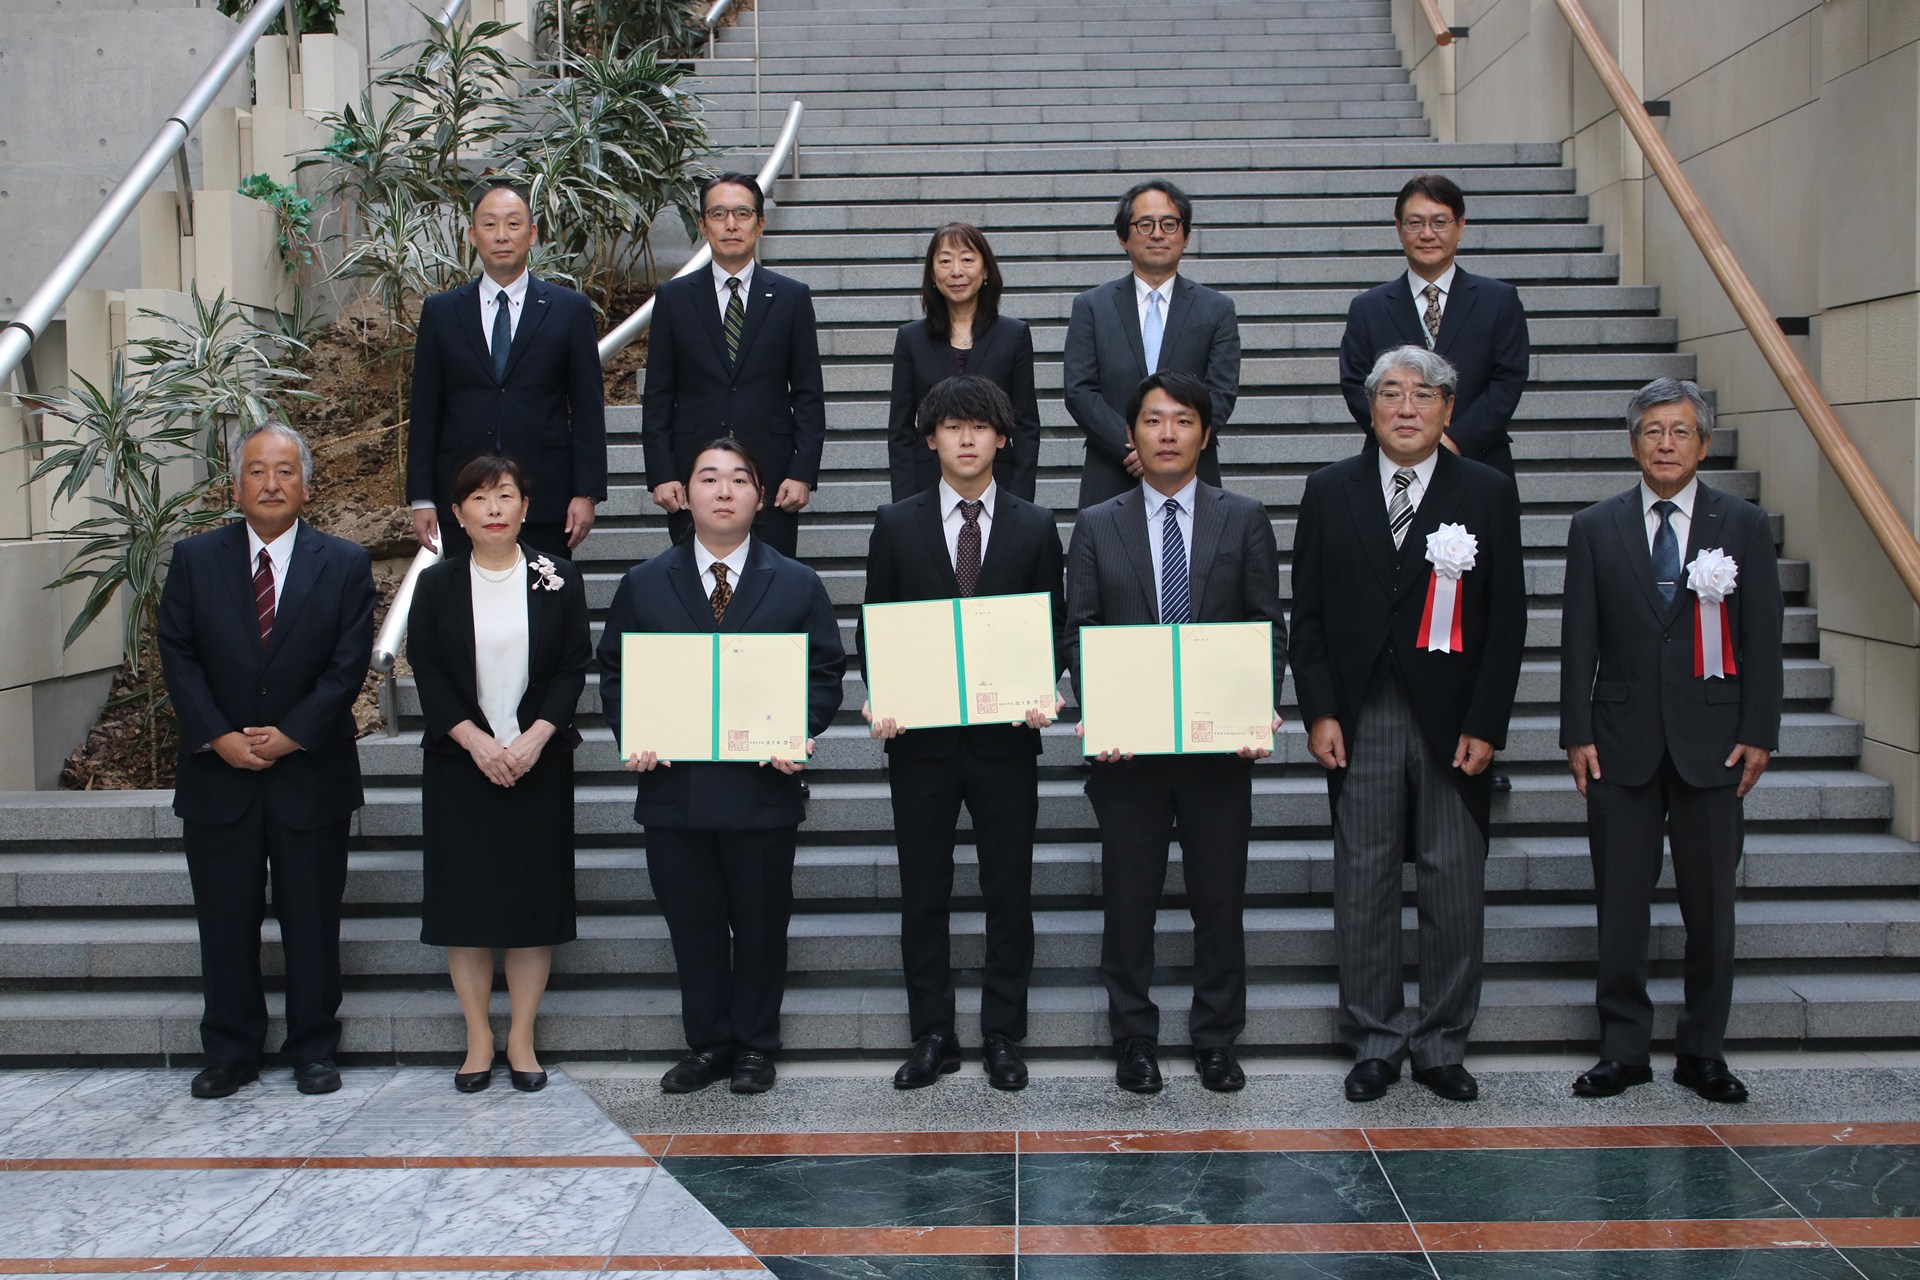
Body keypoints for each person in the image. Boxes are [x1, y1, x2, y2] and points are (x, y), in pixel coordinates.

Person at [1291, 345, 1525, 1104]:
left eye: (1423, 394)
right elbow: (1308, 616)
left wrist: (1487, 721)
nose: (1405, 407)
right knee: (1363, 879)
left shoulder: (1485, 490)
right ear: (1370, 407)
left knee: (1453, 878)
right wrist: (1320, 710)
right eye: (1390, 393)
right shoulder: (1329, 489)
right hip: (1362, 715)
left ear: (1448, 409)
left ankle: (1442, 1041)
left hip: (1452, 717)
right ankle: (1375, 1039)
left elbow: (1508, 620)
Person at [599, 439, 846, 1095]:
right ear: (685, 495)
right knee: (694, 926)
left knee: (761, 926)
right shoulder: (644, 582)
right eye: (708, 478)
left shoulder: (796, 582)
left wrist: (799, 730)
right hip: (674, 790)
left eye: (739, 479)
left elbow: (825, 671)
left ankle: (757, 1045)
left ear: (760, 498)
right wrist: (635, 733)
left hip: (762, 786)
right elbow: (616, 673)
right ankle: (708, 1044)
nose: (724, 490)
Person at [1561, 379, 1782, 1104]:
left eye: (1680, 431)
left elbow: (1763, 637)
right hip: (1619, 741)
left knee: (1711, 908)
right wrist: (1576, 731)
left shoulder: (1743, 524)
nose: (1665, 444)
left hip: (1713, 744)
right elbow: (1578, 638)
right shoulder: (1595, 526)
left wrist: (1759, 732)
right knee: (1620, 906)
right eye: (1653, 431)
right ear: (1634, 443)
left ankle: (1702, 1052)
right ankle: (1623, 1049)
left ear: (1704, 444)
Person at [1065, 371, 1286, 1094]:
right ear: (1131, 435)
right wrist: (1100, 711)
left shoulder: (1244, 518)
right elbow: (1080, 632)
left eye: (1183, 420)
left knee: (1219, 900)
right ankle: (1133, 1038)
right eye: (1154, 420)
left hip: (1218, 751)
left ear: (1205, 434)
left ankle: (1216, 1039)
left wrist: (1258, 707)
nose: (1168, 433)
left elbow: (1265, 626)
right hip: (1128, 754)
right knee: (1129, 903)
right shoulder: (1098, 523)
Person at [156, 423, 376, 1099]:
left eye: (285, 470)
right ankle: (231, 1051)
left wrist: (292, 734)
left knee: (312, 918)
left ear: (306, 484)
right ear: (236, 485)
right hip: (217, 774)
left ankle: (314, 1047)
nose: (271, 483)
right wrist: (219, 735)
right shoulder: (195, 559)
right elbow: (178, 655)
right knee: (225, 920)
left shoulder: (344, 563)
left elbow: (347, 665)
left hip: (310, 772)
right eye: (257, 470)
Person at [861, 376, 1066, 1091]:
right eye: (953, 427)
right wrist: (882, 695)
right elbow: (875, 626)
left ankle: (1003, 1033)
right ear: (931, 439)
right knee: (924, 894)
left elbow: (1052, 626)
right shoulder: (896, 523)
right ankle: (933, 1034)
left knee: (1010, 891)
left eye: (980, 427)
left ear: (1003, 438)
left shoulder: (1035, 525)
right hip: (920, 742)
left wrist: (1044, 687)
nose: (967, 438)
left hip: (1006, 740)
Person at [406, 454, 592, 1094]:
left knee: (531, 903)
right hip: (461, 766)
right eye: (479, 498)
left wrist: (536, 737)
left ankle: (522, 1038)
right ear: (457, 513)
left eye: (505, 495)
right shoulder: (437, 584)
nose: (493, 508)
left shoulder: (557, 577)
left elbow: (572, 666)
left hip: (538, 762)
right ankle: (478, 1037)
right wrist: (476, 743)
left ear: (525, 507)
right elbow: (428, 670)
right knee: (466, 905)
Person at [408, 180, 607, 561]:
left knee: (544, 593)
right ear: (472, 235)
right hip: (463, 495)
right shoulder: (441, 312)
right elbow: (426, 408)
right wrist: (421, 497)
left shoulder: (569, 310)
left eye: (513, 224)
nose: (501, 235)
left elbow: (587, 408)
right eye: (490, 224)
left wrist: (587, 492)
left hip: (546, 494)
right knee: (466, 596)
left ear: (532, 234)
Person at [643, 173, 827, 558]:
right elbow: (658, 395)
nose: (731, 224)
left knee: (772, 581)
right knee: (694, 580)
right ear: (702, 224)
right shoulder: (674, 298)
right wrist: (662, 474)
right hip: (693, 476)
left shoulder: (791, 297)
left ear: (760, 223)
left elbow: (808, 393)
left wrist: (802, 472)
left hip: (772, 476)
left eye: (742, 213)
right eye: (718, 213)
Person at [1063, 179, 1241, 510]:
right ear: (1123, 238)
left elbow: (1221, 392)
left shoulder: (1216, 309)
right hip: (1113, 471)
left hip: (1191, 473)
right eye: (1145, 225)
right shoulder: (1091, 307)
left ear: (1185, 237)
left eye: (1169, 224)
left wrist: (1174, 445)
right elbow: (1080, 391)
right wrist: (1138, 447)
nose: (1157, 234)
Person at [1339, 174, 1530, 479]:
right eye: (1415, 223)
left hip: (1480, 463)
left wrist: (1455, 441)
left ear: (1460, 227)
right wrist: (1407, 441)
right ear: (1399, 229)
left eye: (1439, 222)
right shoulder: (1368, 307)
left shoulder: (1498, 300)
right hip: (1392, 464)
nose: (1427, 234)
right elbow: (1355, 384)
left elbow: (1508, 379)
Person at [887, 224, 1041, 502]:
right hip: (928, 483)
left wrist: (1019, 499)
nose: (956, 271)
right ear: (932, 274)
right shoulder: (911, 338)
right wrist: (906, 502)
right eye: (945, 261)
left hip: (999, 482)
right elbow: (900, 430)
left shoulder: (1014, 334)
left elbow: (1027, 425)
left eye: (967, 259)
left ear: (986, 271)